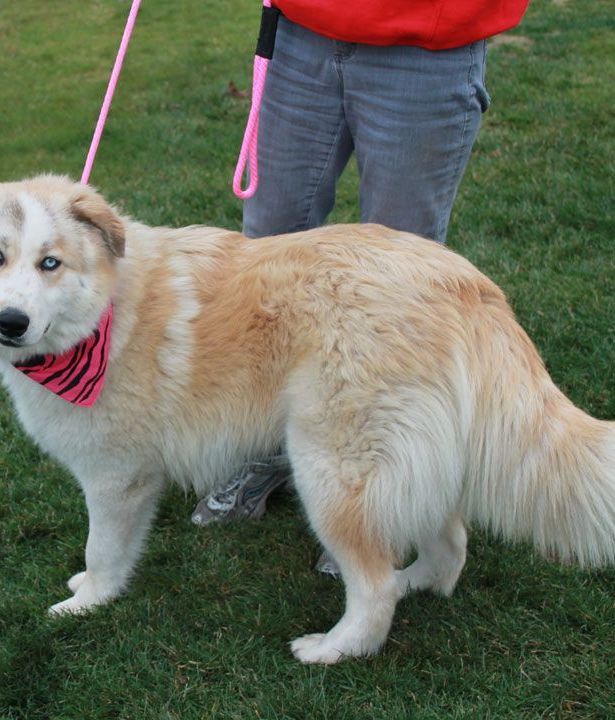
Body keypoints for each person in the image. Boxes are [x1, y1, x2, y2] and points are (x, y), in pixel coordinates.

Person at [192, 0, 530, 572]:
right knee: (264, 266)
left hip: (426, 46)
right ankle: (269, 448)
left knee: (397, 291)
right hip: (303, 32)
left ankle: (377, 493)